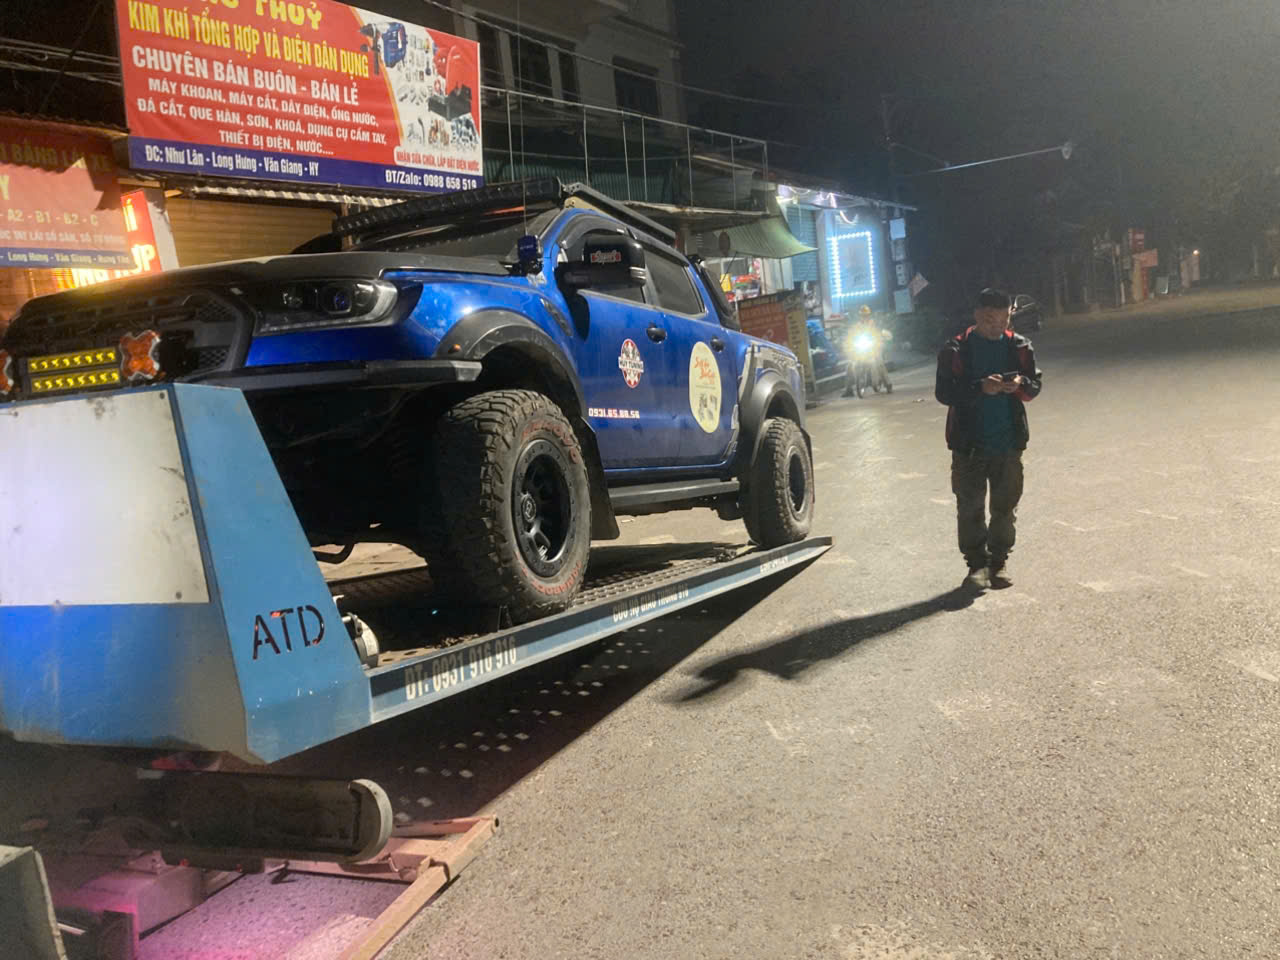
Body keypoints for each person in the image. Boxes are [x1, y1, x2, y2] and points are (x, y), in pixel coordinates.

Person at [935, 288, 1042, 589]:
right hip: (968, 445)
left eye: (1004, 319)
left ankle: (999, 562)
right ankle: (976, 565)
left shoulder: (1019, 346)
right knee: (969, 507)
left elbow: (1034, 386)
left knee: (1005, 507)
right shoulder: (956, 349)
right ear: (977, 315)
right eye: (990, 319)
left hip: (1008, 442)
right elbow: (944, 393)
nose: (998, 326)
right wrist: (979, 387)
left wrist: (1020, 384)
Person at [842, 305, 893, 397]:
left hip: (874, 348)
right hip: (862, 348)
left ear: (869, 315)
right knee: (850, 366)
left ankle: (888, 384)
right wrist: (848, 342)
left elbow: (880, 334)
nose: (864, 317)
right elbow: (851, 335)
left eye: (866, 315)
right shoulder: (858, 325)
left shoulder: (874, 324)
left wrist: (880, 340)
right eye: (862, 315)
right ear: (860, 316)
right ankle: (848, 390)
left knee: (879, 363)